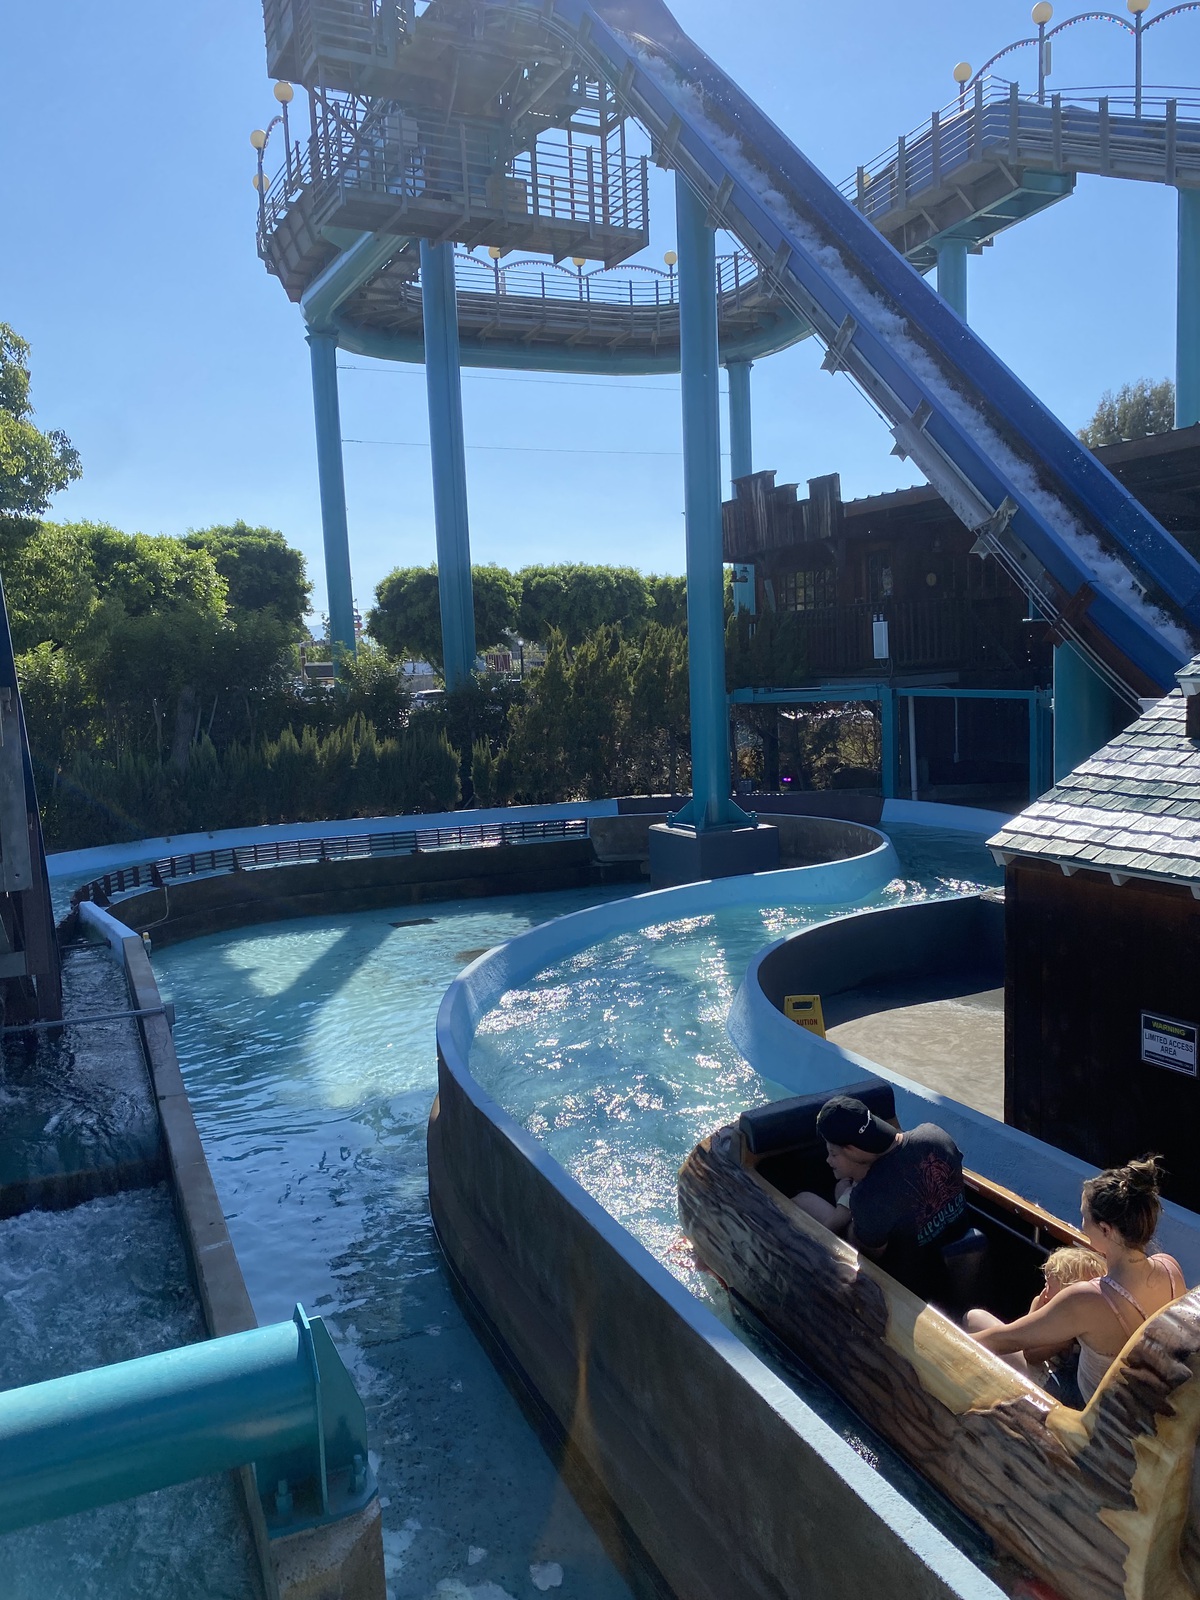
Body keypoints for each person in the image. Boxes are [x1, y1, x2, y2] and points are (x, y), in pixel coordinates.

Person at [966, 1156, 1186, 1404]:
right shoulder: (1171, 1269)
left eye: (1085, 1218)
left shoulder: (1089, 1298)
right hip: (1136, 1404)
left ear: (1106, 1230)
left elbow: (1009, 1341)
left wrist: (940, 1343)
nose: (1082, 1226)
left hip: (1089, 1410)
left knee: (975, 1319)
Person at [791, 1095, 966, 1299]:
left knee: (803, 1201)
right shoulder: (935, 1136)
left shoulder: (868, 1197)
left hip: (908, 1289)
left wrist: (845, 1204)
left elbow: (867, 1253)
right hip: (951, 1257)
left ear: (853, 1150)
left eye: (833, 1153)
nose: (828, 1160)